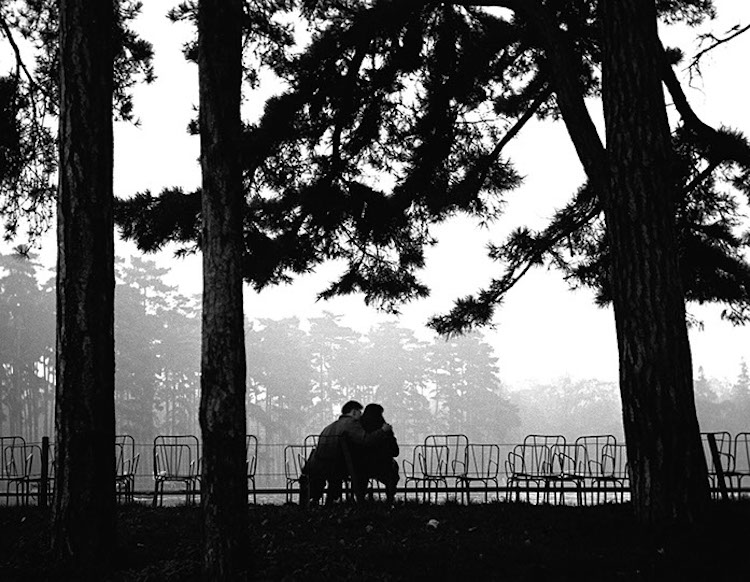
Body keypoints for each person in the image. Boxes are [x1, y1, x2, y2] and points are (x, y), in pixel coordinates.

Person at [304, 400, 392, 505]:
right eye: (359, 412)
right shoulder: (351, 424)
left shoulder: (329, 427)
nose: (361, 415)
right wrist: (382, 431)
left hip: (319, 466)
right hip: (338, 466)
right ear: (354, 412)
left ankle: (324, 500)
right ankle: (362, 501)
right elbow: (365, 440)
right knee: (363, 469)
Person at [358, 403, 400, 503]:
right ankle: (390, 500)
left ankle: (360, 501)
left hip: (361, 467)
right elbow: (395, 452)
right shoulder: (385, 431)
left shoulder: (358, 430)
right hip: (383, 466)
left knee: (361, 476)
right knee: (393, 469)